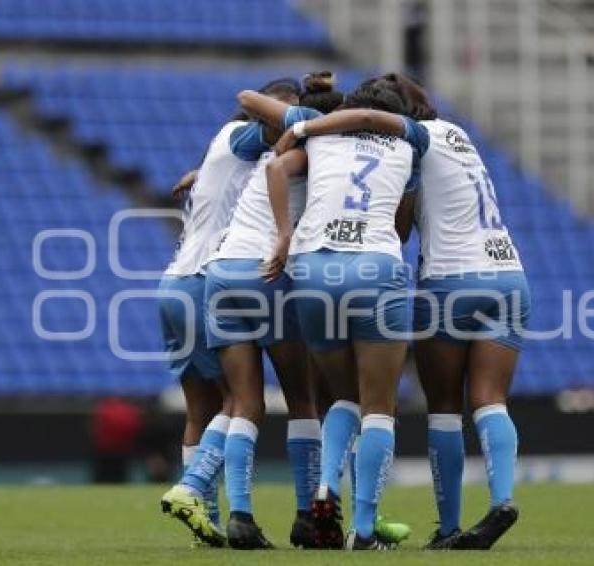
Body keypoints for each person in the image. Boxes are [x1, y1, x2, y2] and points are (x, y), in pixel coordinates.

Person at [263, 79, 429, 550]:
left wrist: (282, 236)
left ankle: (324, 488)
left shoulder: (319, 137)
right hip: (374, 268)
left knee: (342, 397)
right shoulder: (410, 141)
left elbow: (277, 167)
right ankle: (362, 528)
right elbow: (400, 229)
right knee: (379, 408)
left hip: (313, 269)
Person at [385, 72, 530, 550]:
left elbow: (401, 232)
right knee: (490, 398)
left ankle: (448, 527)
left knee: (444, 409)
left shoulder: (411, 143)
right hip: (508, 274)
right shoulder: (457, 133)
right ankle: (502, 498)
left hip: (450, 281)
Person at [202, 73, 343, 549]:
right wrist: (286, 235)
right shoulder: (322, 151)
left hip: (221, 270)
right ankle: (307, 514)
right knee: (301, 399)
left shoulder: (267, 149)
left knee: (245, 403)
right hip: (265, 271)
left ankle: (240, 514)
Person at [158, 78, 297, 547]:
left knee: (202, 410)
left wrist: (198, 172)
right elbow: (274, 138)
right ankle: (192, 489)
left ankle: (206, 525)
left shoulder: (226, 147)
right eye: (287, 113)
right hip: (204, 282)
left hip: (174, 283)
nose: (292, 125)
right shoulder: (244, 135)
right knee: (244, 404)